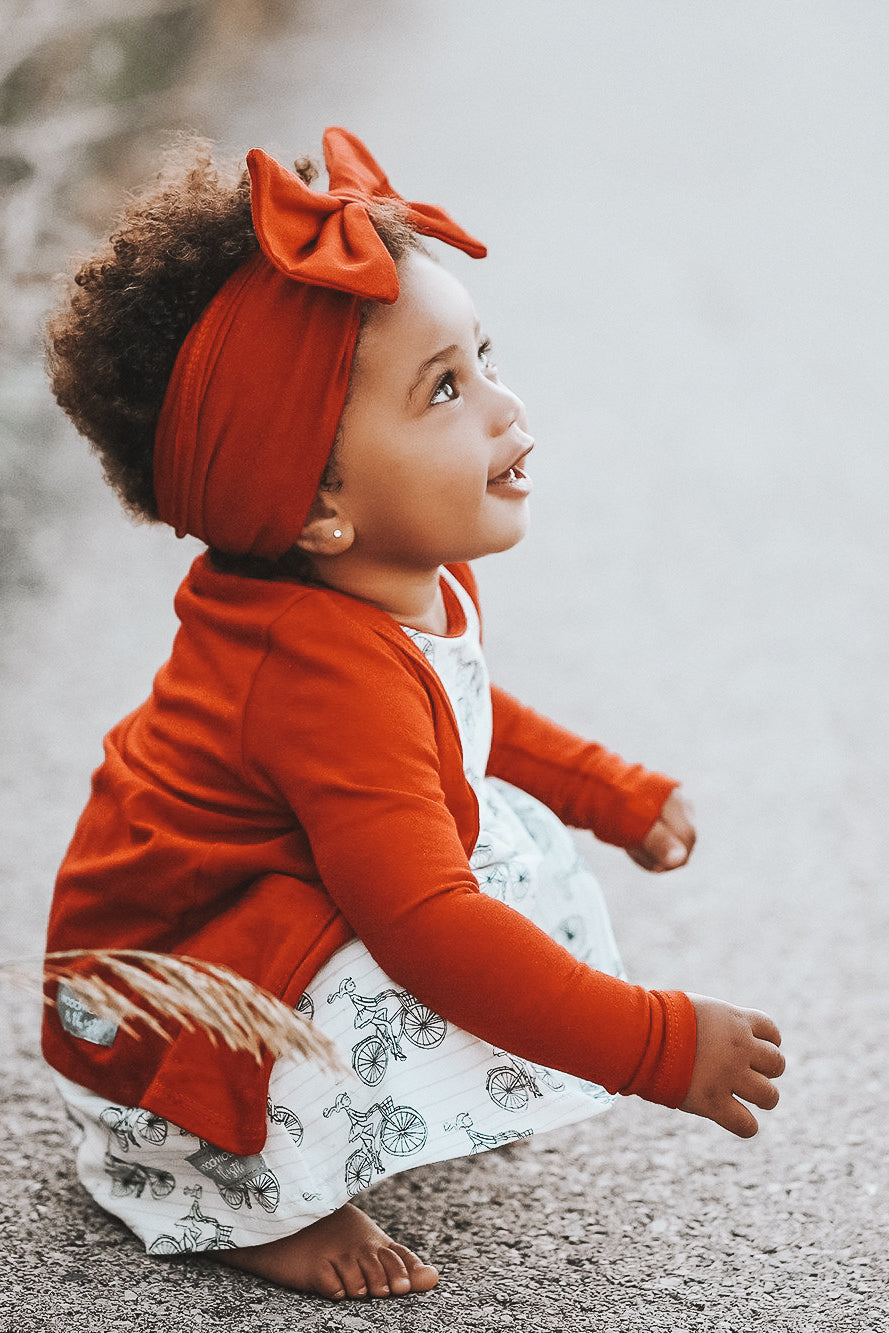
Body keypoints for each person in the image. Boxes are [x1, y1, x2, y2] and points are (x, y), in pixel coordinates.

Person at [42, 128, 784, 1301]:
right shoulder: (313, 676)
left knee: (494, 847)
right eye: (444, 389)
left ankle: (386, 1101)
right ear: (318, 508)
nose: (503, 403)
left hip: (242, 929)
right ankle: (246, 1195)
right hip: (160, 1017)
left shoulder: (393, 586)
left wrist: (606, 791)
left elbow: (463, 711)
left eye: (483, 357)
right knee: (432, 928)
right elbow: (431, 931)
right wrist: (654, 1043)